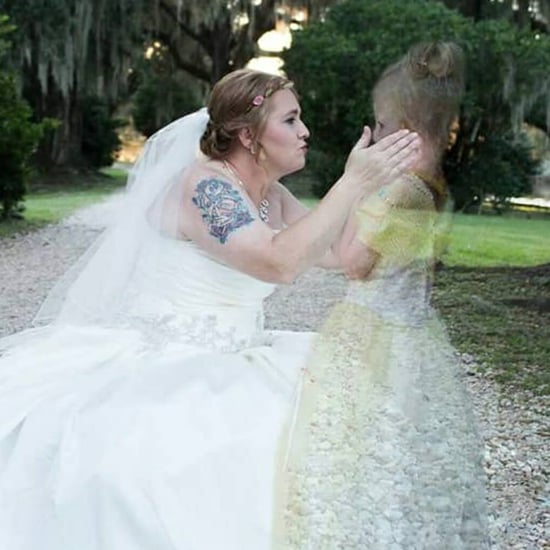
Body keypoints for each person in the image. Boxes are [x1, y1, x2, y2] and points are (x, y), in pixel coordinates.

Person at [0, 69, 420, 549]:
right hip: (173, 356)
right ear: (248, 134)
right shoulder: (207, 187)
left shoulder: (272, 196)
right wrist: (348, 184)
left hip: (241, 348)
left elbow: (345, 257)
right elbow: (278, 263)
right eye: (291, 119)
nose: (305, 132)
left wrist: (375, 187)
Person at [275, 43, 489, 549]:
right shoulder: (427, 182)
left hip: (375, 332)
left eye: (384, 126)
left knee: (363, 442)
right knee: (397, 440)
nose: (378, 136)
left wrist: (356, 184)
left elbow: (354, 262)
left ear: (410, 126)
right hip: (410, 330)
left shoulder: (402, 191)